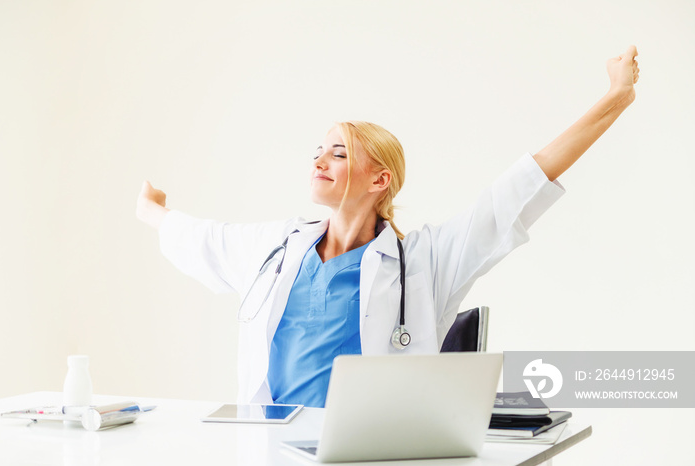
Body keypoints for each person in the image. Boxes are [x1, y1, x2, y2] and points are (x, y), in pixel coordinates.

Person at [136, 46, 640, 408]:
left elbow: (516, 191)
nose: (319, 159)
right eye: (318, 151)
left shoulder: (425, 262)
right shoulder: (275, 248)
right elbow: (199, 239)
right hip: (273, 446)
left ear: (381, 178)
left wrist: (615, 98)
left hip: (370, 451)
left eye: (339, 152)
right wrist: (152, 210)